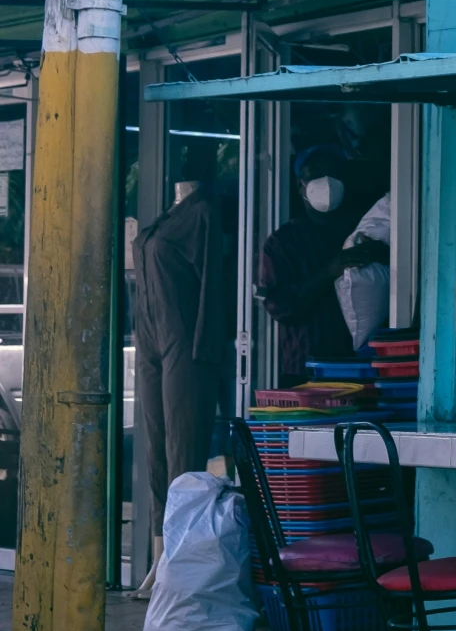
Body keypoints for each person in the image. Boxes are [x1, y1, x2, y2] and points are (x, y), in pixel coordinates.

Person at [134, 175, 235, 577]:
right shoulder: (164, 218)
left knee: (184, 451)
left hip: (185, 342)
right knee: (156, 450)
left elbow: (214, 283)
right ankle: (158, 561)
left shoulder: (203, 213)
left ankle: (178, 564)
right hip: (149, 341)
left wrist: (207, 348)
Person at [257, 147, 383, 384]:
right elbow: (281, 306)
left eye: (333, 175)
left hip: (358, 368)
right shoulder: (283, 242)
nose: (325, 183)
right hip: (305, 371)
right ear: (300, 185)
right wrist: (329, 272)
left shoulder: (361, 231)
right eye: (315, 175)